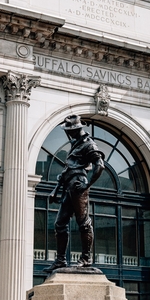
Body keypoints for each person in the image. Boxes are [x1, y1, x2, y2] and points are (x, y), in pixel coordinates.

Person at [47, 115, 105, 270]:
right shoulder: (75, 144)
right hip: (68, 186)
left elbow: (99, 165)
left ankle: (86, 259)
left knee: (84, 223)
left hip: (78, 184)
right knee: (60, 223)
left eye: (68, 130)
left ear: (76, 129)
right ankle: (60, 260)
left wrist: (87, 184)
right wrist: (55, 190)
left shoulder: (89, 145)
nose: (67, 133)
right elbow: (66, 170)